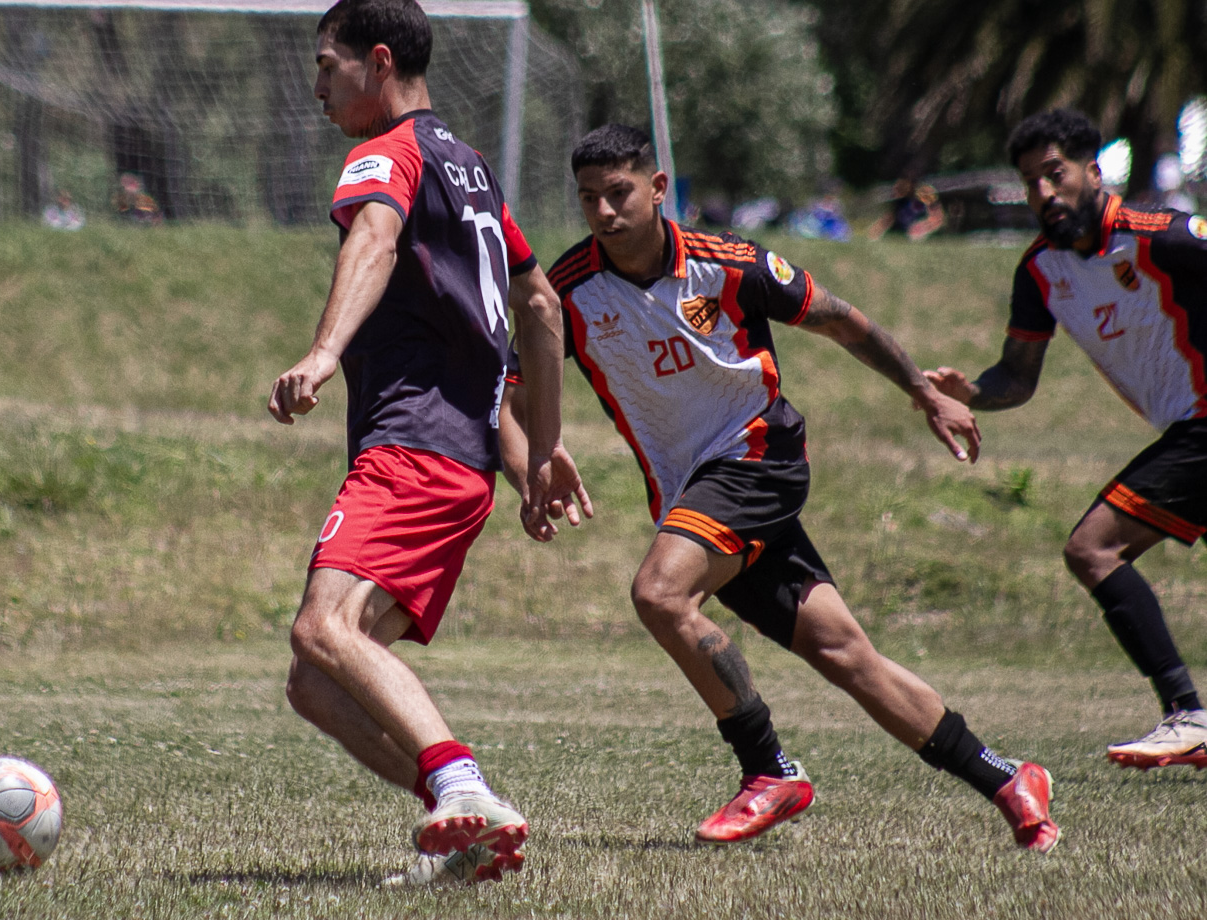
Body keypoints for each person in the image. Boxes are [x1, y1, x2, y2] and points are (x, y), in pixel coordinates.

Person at [512, 124, 1057, 851]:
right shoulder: (567, 290)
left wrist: (924, 391)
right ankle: (1007, 778)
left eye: (619, 193)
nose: (605, 213)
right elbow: (511, 390)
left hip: (756, 456)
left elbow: (841, 320)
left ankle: (768, 769)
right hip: (692, 493)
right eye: (589, 199)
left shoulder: (729, 264)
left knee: (660, 594)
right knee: (845, 654)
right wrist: (533, 462)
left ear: (659, 187)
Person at [267, 0, 587, 888]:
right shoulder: (471, 167)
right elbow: (540, 305)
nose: (316, 89)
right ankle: (468, 827)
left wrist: (324, 352)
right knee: (316, 680)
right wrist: (540, 449)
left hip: (410, 447)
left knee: (324, 628)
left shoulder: (387, 153)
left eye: (326, 67)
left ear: (378, 62)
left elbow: (372, 239)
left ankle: (463, 786)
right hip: (461, 461)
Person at [926, 107, 1207, 770]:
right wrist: (971, 394)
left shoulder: (1161, 236)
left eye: (1055, 174)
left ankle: (1188, 714)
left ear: (1094, 171)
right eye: (1031, 182)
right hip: (1187, 428)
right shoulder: (1040, 271)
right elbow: (1017, 377)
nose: (1044, 192)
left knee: (1093, 548)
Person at [869, 179, 946, 241]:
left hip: (918, 228)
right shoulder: (903, 201)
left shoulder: (928, 203)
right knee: (888, 217)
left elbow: (937, 220)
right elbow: (891, 216)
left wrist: (923, 227)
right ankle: (874, 235)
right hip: (901, 227)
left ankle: (915, 234)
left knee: (923, 226)